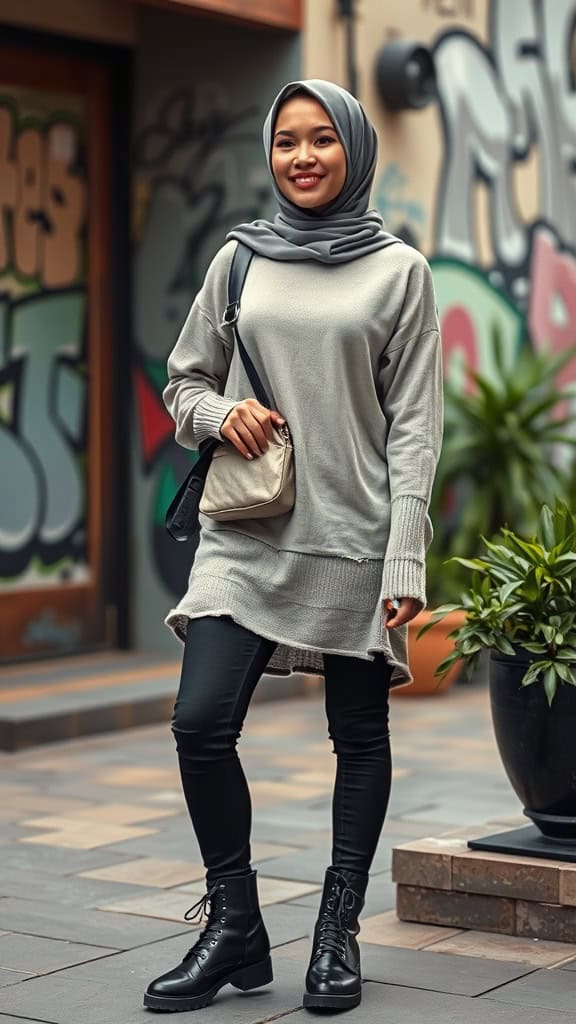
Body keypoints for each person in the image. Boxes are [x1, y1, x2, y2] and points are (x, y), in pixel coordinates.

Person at [144, 79, 443, 1014]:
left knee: (357, 735)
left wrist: (405, 556)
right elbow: (183, 380)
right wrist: (220, 411)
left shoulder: (400, 272)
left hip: (354, 535)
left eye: (321, 140)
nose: (303, 156)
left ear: (352, 148)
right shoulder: (240, 260)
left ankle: (337, 929)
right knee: (200, 723)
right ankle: (235, 924)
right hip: (248, 531)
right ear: (270, 155)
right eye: (286, 142)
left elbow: (414, 429)